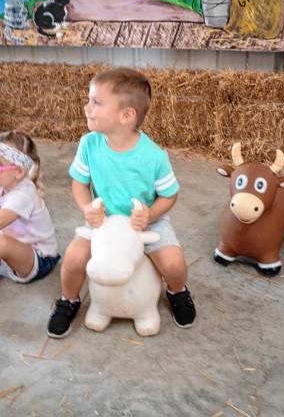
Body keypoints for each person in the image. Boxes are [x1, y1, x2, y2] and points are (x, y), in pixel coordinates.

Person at [47, 68, 196, 338]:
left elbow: (170, 195)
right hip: (103, 221)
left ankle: (178, 292)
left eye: (96, 102)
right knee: (73, 259)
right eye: (89, 100)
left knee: (174, 264)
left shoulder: (153, 156)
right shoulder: (89, 145)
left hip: (144, 222)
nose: (87, 107)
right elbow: (79, 183)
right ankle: (69, 299)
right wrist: (87, 209)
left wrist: (150, 214)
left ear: (126, 116)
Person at [0, 130, 60, 284]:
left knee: (2, 243)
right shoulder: (5, 184)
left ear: (19, 171)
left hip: (40, 258)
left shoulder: (23, 195)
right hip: (20, 249)